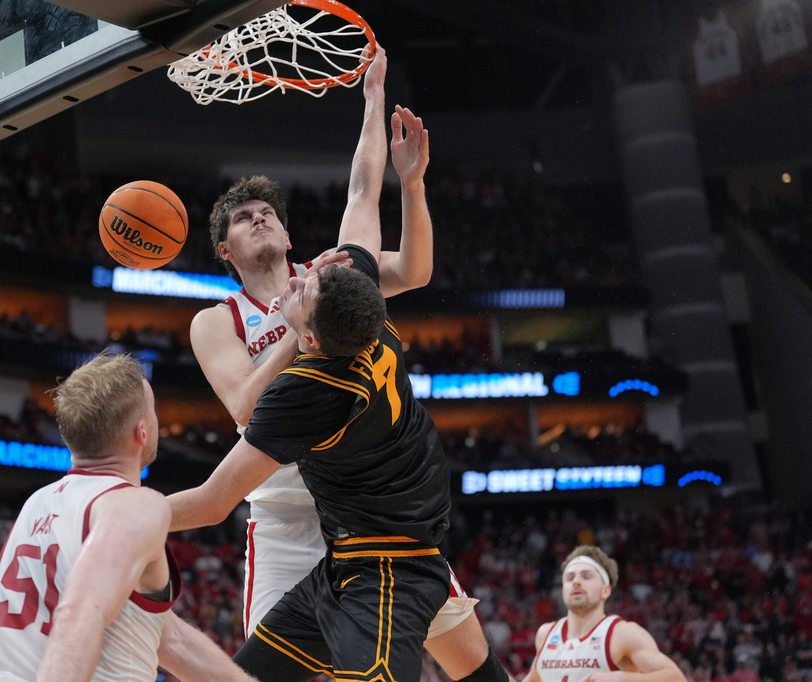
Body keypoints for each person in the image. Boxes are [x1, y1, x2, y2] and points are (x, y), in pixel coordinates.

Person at [168, 48, 508, 682]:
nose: (259, 217)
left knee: (464, 654)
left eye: (267, 212)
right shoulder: (219, 318)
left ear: (290, 237)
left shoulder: (329, 281)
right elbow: (245, 405)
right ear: (226, 250)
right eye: (243, 219)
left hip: (365, 503)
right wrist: (301, 333)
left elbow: (411, 265)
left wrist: (376, 107)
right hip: (282, 506)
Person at [0, 353, 256, 682]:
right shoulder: (134, 504)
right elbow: (79, 615)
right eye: (153, 411)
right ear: (141, 432)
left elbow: (168, 639)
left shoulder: (37, 504)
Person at [521, 546, 686, 682]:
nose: (576, 581)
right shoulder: (546, 633)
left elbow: (677, 679)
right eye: (570, 578)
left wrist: (625, 679)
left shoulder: (623, 633)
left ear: (605, 590)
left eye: (586, 576)